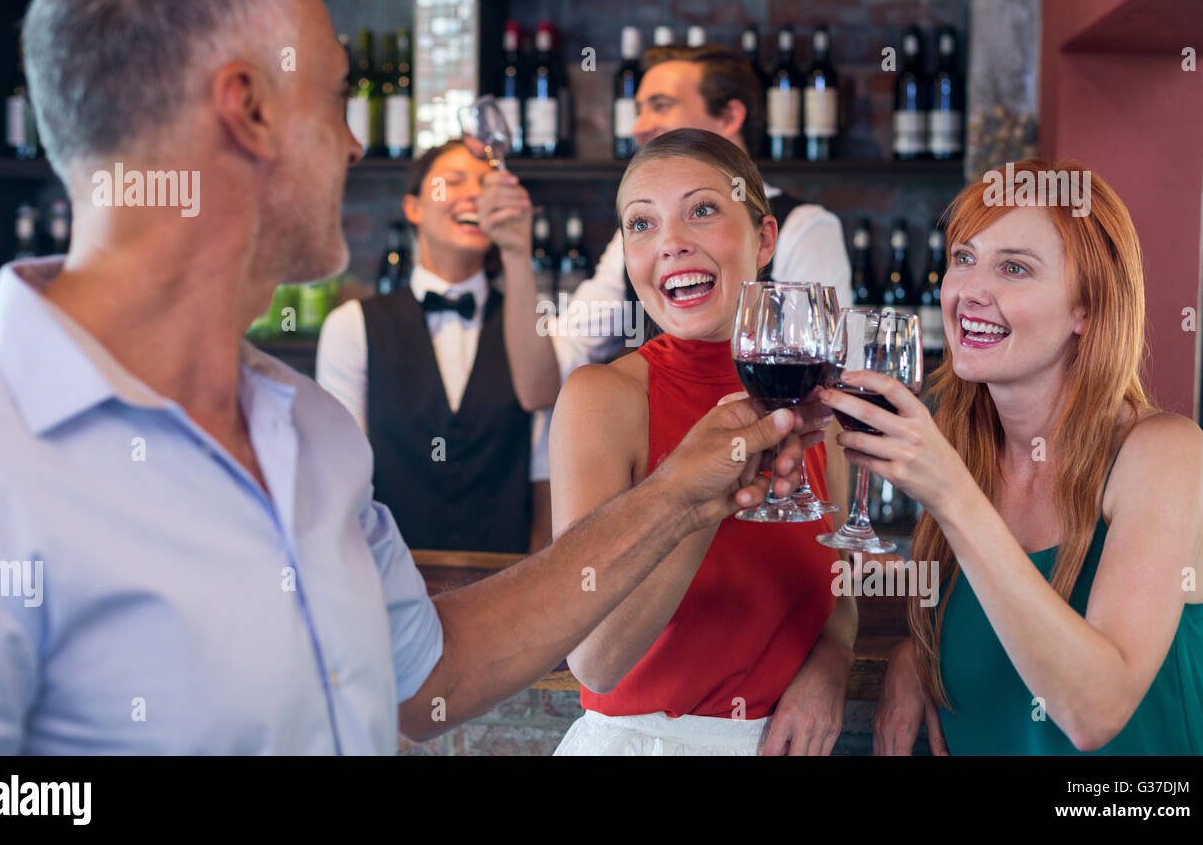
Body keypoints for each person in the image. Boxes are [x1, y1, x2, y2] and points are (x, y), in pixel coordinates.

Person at [0, 0, 824, 755]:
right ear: (246, 110)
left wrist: (685, 498)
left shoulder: (308, 427)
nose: (358, 145)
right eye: (335, 98)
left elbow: (428, 677)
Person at [828, 159, 1203, 755]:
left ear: (1085, 311)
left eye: (1014, 267)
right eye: (964, 258)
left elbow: (1095, 711)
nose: (969, 292)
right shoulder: (970, 452)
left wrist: (950, 494)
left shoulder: (1163, 453)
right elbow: (1003, 619)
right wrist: (918, 653)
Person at [550, 129, 857, 756]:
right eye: (641, 224)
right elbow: (594, 659)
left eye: (702, 210)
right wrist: (703, 498)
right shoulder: (603, 399)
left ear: (764, 239)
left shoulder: (820, 403)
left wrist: (833, 659)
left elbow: (840, 576)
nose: (670, 242)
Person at [548, 43, 853, 375]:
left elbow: (827, 379)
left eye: (660, 106)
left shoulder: (803, 226)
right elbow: (561, 359)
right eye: (638, 110)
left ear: (728, 117)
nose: (639, 127)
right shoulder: (643, 239)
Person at [316, 140, 557, 553]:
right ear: (413, 208)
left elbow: (546, 485)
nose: (473, 194)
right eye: (453, 182)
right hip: (390, 582)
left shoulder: (535, 330)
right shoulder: (351, 327)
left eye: (486, 184)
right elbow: (341, 481)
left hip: (507, 583)